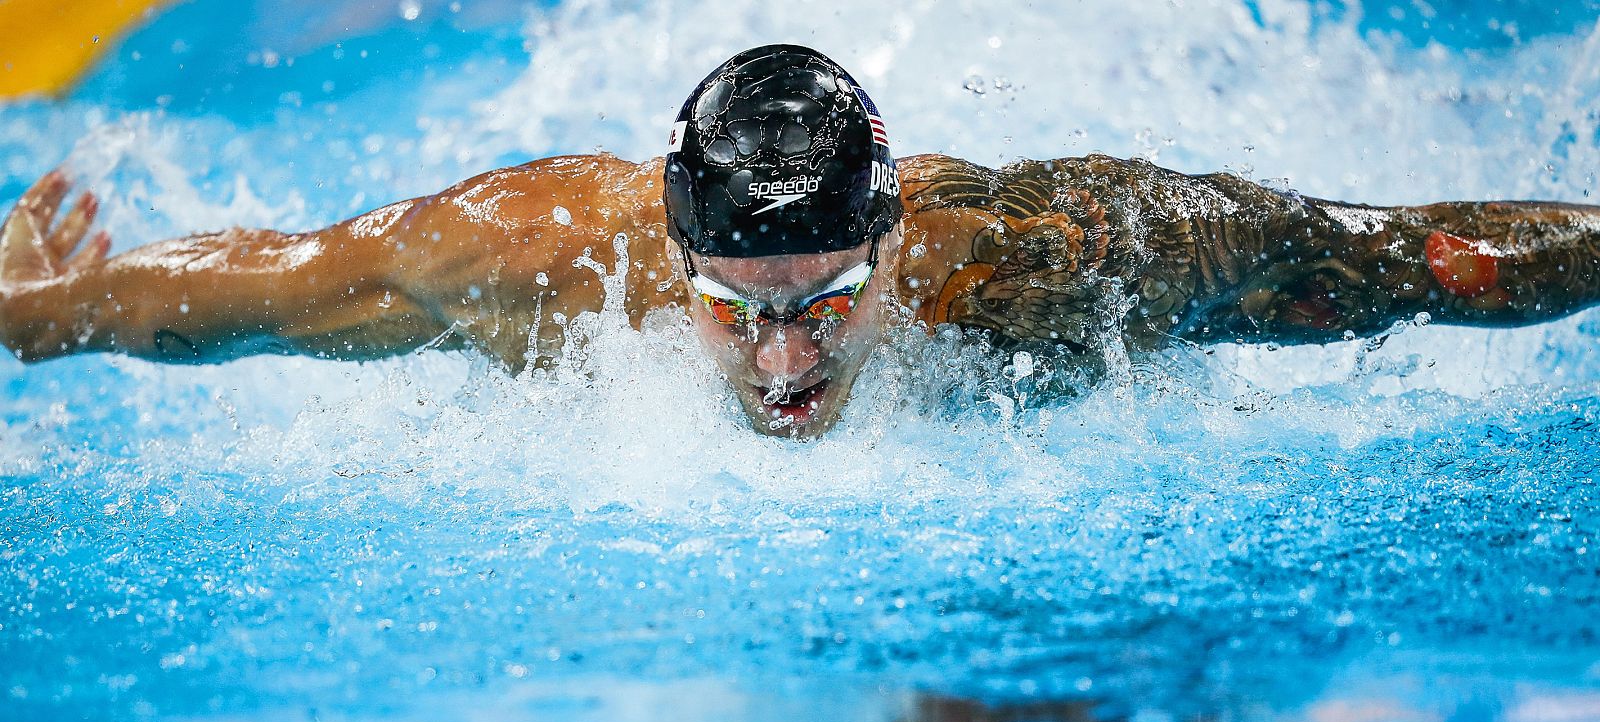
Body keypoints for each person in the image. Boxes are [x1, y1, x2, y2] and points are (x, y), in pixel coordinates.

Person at [3, 44, 1598, 438]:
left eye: (830, 302)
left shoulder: (1045, 260)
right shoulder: (536, 260)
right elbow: (248, 294)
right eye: (737, 309)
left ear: (898, 246)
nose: (783, 365)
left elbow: (1412, 260)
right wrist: (31, 315)